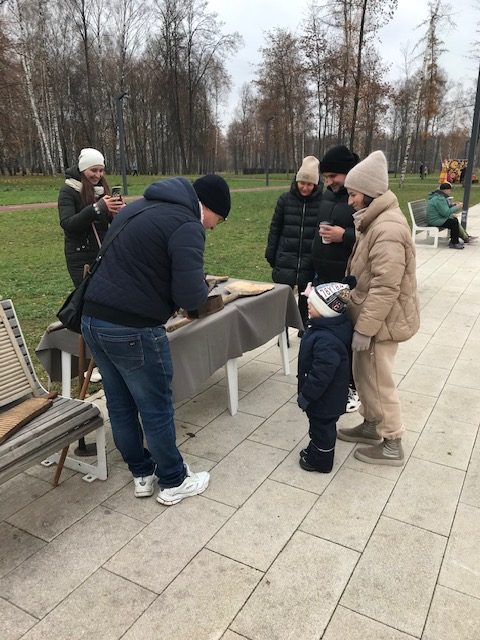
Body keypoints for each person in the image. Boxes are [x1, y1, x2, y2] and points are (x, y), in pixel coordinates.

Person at [81, 174, 231, 505]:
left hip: (92, 319)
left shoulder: (141, 207)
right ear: (207, 208)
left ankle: (142, 474)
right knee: (155, 407)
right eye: (216, 221)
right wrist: (201, 290)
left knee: (119, 403)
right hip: (133, 328)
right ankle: (175, 480)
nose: (212, 229)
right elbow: (191, 297)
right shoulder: (187, 224)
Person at [337, 151, 420, 466]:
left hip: (381, 324)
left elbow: (386, 287)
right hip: (371, 319)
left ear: (370, 193)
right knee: (365, 375)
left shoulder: (387, 229)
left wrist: (365, 329)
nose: (350, 200)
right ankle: (372, 426)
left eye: (353, 194)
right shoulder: (374, 222)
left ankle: (392, 442)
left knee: (378, 379)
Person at [58, 148, 124, 383]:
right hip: (80, 258)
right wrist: (98, 208)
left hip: (103, 253)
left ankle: (106, 356)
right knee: (88, 307)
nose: (97, 174)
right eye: (93, 170)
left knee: (105, 304)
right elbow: (68, 224)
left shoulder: (101, 190)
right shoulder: (68, 190)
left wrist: (116, 212)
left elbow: (105, 222)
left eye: (101, 170)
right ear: (83, 169)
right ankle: (90, 363)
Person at [310, 144, 360, 412]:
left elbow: (369, 238)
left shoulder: (361, 197)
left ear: (347, 173)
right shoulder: (327, 196)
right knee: (325, 331)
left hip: (345, 275)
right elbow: (315, 234)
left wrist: (345, 236)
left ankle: (351, 385)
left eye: (333, 177)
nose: (328, 182)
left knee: (344, 332)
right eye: (325, 177)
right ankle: (327, 378)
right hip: (323, 274)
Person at [297, 278, 355, 473]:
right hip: (327, 397)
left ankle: (321, 461)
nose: (308, 307)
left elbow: (321, 375)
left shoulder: (326, 340)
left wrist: (307, 395)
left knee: (322, 429)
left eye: (312, 305)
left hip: (323, 398)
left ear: (325, 310)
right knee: (321, 428)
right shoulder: (329, 328)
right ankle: (317, 449)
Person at [265, 156, 323, 333]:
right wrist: (272, 253)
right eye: (302, 183)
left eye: (309, 184)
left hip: (308, 259)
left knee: (306, 298)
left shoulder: (322, 202)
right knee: (283, 298)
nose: (305, 187)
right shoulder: (285, 200)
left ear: (315, 184)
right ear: (297, 181)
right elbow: (275, 228)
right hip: (286, 257)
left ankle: (303, 327)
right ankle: (281, 329)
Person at [426, 182, 476, 247]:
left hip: (437, 218)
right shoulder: (439, 199)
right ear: (446, 190)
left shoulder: (439, 196)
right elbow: (446, 213)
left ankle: (461, 238)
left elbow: (444, 208)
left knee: (454, 220)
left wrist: (454, 205)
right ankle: (454, 242)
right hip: (434, 221)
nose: (450, 191)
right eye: (450, 190)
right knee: (453, 222)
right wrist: (457, 207)